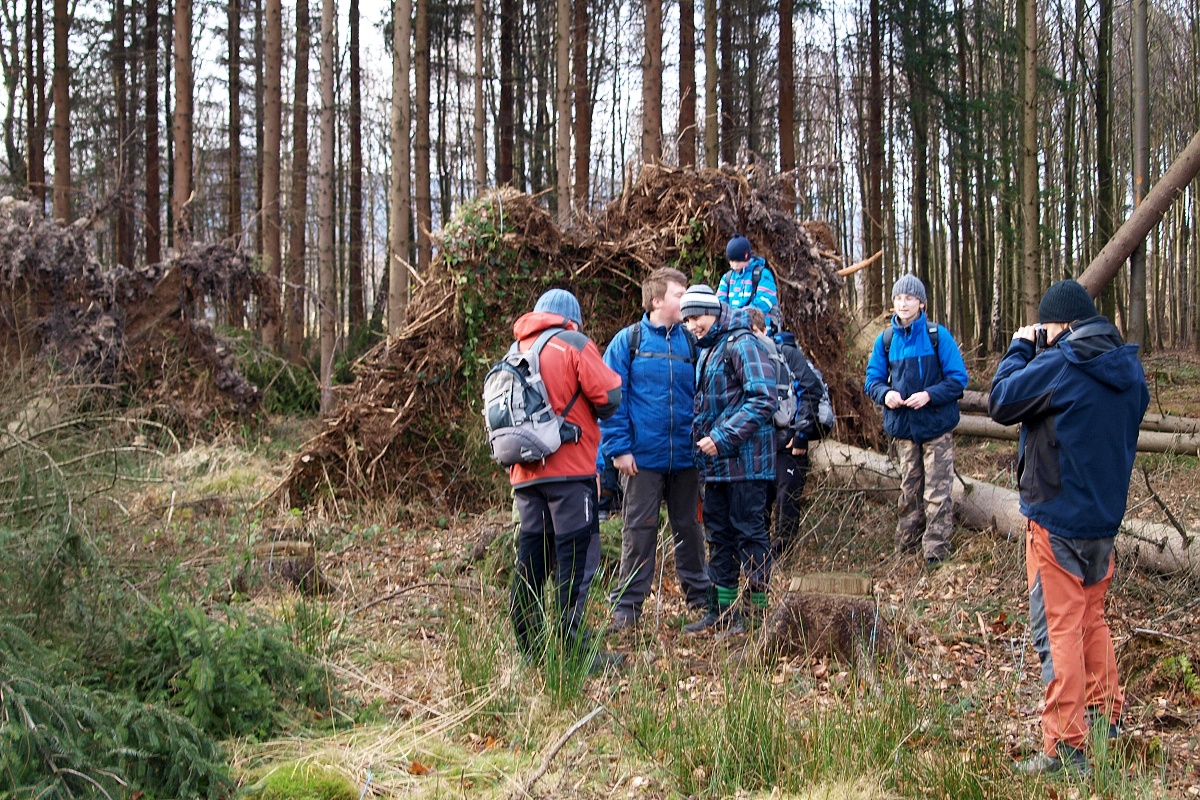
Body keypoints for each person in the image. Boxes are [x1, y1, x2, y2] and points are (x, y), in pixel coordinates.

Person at [988, 279, 1148, 776]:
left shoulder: (1062, 361)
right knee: (1091, 622)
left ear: (1061, 325)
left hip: (1057, 521)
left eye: (1049, 327)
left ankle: (1066, 746)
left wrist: (1020, 347)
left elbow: (1001, 401)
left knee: (1059, 630)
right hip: (1103, 520)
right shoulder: (1128, 367)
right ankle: (1104, 720)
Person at [506, 288, 624, 670]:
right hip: (570, 472)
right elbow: (609, 395)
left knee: (531, 560)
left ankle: (532, 652)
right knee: (574, 561)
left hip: (524, 473)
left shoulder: (515, 350)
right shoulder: (571, 342)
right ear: (571, 317)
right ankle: (575, 655)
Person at [600, 268, 710, 630]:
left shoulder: (693, 343)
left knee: (690, 529)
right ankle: (627, 609)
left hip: (686, 458)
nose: (686, 301)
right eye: (680, 294)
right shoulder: (627, 342)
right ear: (657, 300)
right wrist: (618, 449)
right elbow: (610, 400)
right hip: (640, 460)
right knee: (639, 530)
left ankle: (699, 597)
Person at [679, 285, 776, 632]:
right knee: (718, 537)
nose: (693, 326)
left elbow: (764, 399)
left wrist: (720, 437)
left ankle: (755, 614)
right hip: (716, 468)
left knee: (749, 534)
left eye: (697, 317)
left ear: (714, 311)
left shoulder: (742, 342)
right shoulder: (708, 350)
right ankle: (720, 612)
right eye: (687, 320)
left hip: (748, 465)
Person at [864, 274, 968, 567]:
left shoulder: (938, 336)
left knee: (937, 492)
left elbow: (958, 379)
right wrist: (885, 395)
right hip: (904, 429)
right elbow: (871, 380)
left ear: (921, 303)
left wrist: (929, 395)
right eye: (898, 298)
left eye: (909, 298)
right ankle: (906, 548)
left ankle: (936, 552)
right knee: (909, 490)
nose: (903, 303)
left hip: (936, 427)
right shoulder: (885, 340)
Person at [747, 307, 823, 555]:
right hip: (755, 443)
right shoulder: (739, 358)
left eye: (756, 332)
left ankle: (782, 555)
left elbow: (811, 389)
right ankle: (760, 557)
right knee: (758, 503)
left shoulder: (786, 354)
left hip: (787, 441)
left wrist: (802, 434)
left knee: (786, 500)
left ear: (766, 330)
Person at [717, 235, 779, 326]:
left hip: (758, 329)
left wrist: (740, 317)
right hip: (732, 329)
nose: (734, 265)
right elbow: (720, 303)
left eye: (737, 261)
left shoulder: (762, 275)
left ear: (746, 257)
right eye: (731, 261)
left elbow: (765, 302)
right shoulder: (727, 278)